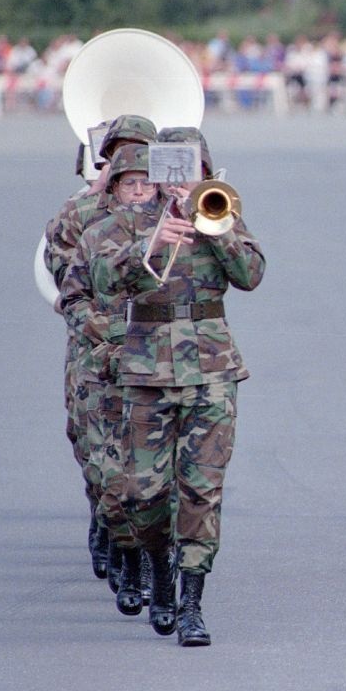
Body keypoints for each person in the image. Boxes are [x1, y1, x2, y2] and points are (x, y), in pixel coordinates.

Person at [77, 138, 265, 644]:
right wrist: (153, 243)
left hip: (212, 370)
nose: (182, 177)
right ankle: (159, 569)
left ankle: (192, 604)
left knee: (202, 491)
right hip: (146, 371)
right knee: (143, 494)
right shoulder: (124, 224)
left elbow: (252, 274)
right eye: (173, 169)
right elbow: (99, 280)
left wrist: (215, 228)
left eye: (195, 167)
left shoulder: (220, 212)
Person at [45, 114, 158, 580]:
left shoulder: (171, 211)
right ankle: (109, 524)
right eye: (122, 154)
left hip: (157, 353)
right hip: (98, 350)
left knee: (152, 462)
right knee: (98, 452)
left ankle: (151, 559)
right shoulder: (80, 214)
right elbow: (67, 282)